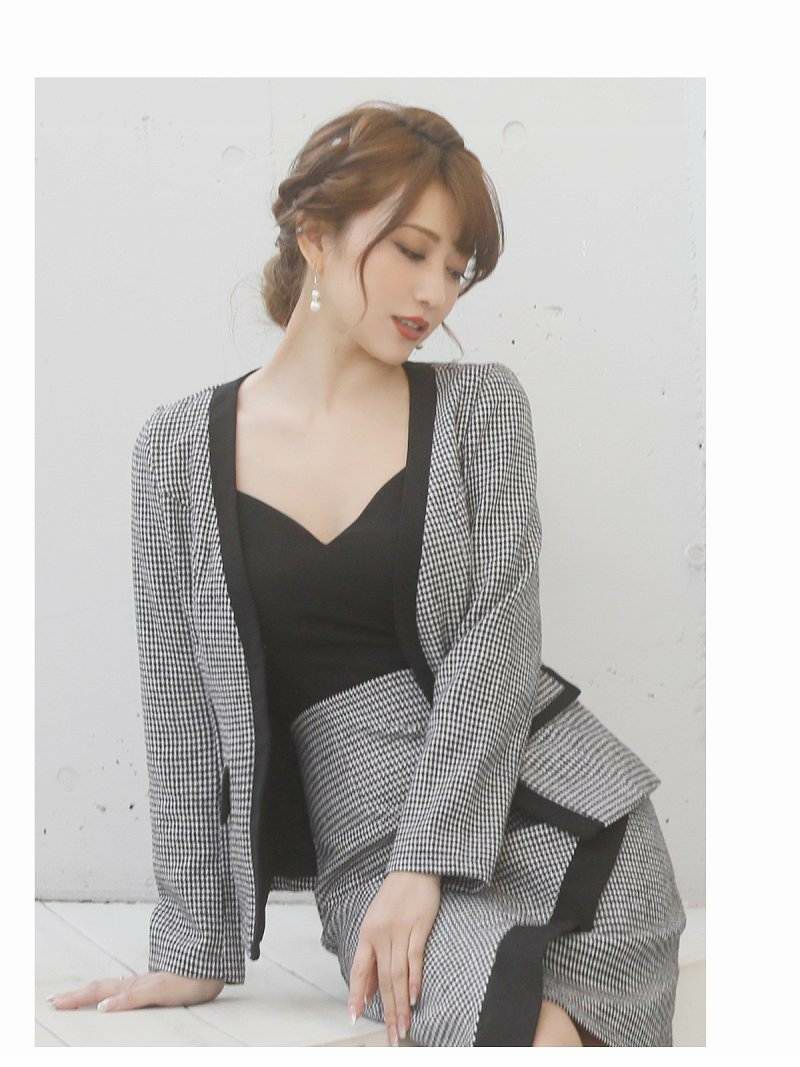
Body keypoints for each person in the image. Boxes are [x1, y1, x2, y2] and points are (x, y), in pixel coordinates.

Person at [48, 101, 686, 1046]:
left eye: (456, 269)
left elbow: (500, 639)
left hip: (553, 805)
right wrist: (192, 944)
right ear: (314, 234)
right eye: (412, 250)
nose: (436, 293)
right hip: (366, 846)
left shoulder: (481, 409)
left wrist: (426, 857)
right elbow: (182, 704)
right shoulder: (177, 450)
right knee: (512, 1026)